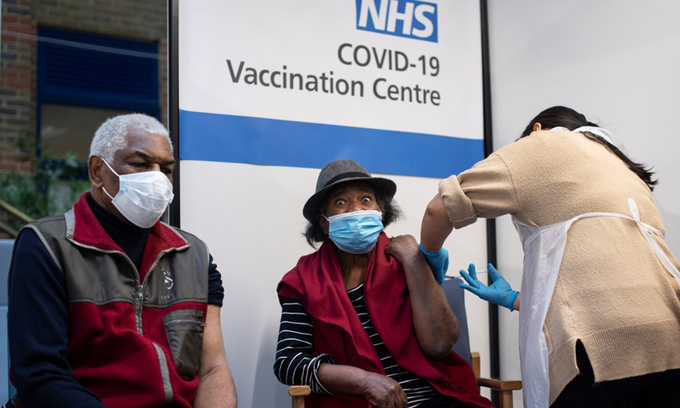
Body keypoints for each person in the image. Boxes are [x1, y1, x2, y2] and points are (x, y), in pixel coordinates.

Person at [420, 106, 680, 408]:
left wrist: (429, 254)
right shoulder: (622, 166)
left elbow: (438, 209)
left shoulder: (542, 143)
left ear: (537, 129)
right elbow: (611, 275)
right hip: (670, 337)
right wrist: (516, 300)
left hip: (597, 349)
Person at [6, 114, 237, 408]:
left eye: (166, 169)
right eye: (140, 164)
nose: (157, 178)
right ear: (97, 171)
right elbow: (40, 376)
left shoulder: (194, 255)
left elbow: (212, 369)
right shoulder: (47, 246)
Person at [274, 159, 493, 408]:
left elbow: (440, 344)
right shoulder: (303, 281)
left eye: (366, 199)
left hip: (434, 397)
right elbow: (288, 363)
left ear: (381, 212)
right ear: (324, 222)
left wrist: (415, 262)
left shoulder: (406, 258)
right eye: (341, 202)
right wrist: (363, 381)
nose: (356, 209)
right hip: (358, 402)